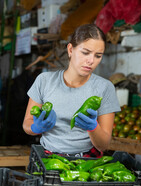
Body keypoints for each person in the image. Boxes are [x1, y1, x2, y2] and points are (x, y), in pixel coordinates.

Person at [22, 24, 120, 157]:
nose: (91, 61)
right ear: (70, 49)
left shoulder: (105, 88)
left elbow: (103, 145)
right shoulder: (44, 80)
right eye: (85, 52)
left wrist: (93, 128)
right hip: (49, 158)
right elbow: (27, 124)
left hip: (86, 162)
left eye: (98, 55)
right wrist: (36, 127)